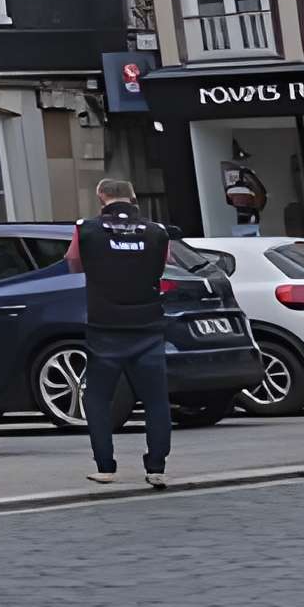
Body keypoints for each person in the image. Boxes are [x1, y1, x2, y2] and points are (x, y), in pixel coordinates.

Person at [74, 175, 177, 489]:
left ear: (100, 196)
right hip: (147, 326)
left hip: (105, 326)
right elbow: (164, 264)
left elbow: (74, 264)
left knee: (97, 398)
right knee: (156, 400)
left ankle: (106, 466)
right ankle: (156, 466)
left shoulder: (86, 229)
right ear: (133, 198)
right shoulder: (157, 232)